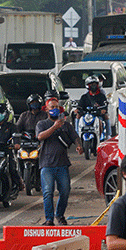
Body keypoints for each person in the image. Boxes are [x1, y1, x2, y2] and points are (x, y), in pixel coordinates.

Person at [36, 97, 83, 226]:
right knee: (47, 192)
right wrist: (54, 127)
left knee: (65, 191)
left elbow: (75, 137)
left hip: (62, 164)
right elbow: (40, 136)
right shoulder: (42, 124)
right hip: (47, 164)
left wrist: (79, 145)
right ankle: (49, 219)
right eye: (52, 107)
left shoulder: (66, 125)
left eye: (57, 107)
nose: (55, 109)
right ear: (46, 109)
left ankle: (60, 215)